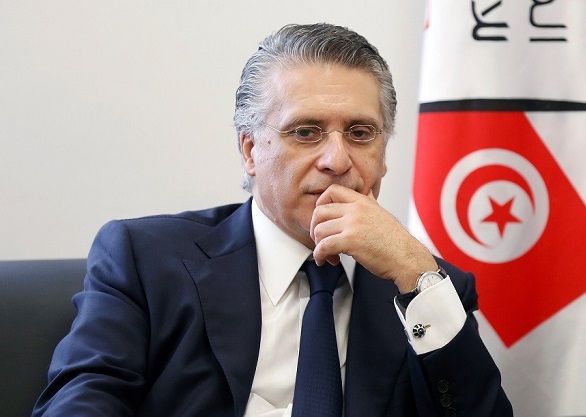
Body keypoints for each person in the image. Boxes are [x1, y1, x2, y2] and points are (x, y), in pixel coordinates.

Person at [32, 23, 512, 416]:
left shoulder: (427, 289)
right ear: (250, 150)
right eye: (306, 132)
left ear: (383, 155)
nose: (337, 160)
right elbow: (80, 404)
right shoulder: (144, 260)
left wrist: (417, 272)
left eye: (361, 133)